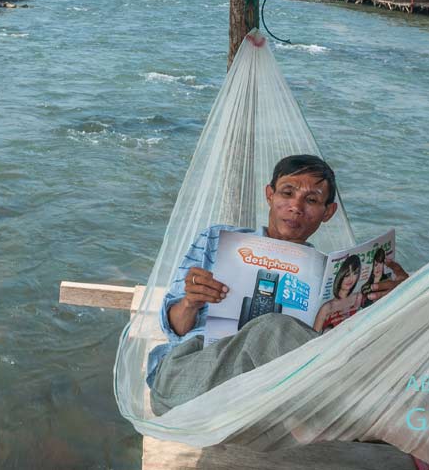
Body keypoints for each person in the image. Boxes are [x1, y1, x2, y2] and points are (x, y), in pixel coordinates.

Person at [149, 154, 410, 415]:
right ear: (270, 195)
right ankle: (378, 412)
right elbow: (175, 328)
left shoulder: (327, 278)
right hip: (190, 380)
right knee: (272, 328)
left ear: (328, 212)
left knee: (296, 342)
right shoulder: (217, 240)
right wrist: (190, 302)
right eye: (287, 193)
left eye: (312, 200)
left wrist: (400, 300)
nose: (296, 206)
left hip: (271, 393)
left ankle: (368, 411)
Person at [312, 254, 363, 332]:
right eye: (347, 274)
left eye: (355, 273)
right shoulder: (326, 308)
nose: (351, 279)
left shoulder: (358, 297)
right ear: (339, 275)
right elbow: (313, 339)